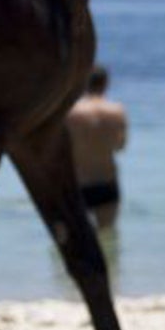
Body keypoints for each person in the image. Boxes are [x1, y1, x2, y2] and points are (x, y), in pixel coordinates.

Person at [67, 65, 129, 228]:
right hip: (106, 181)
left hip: (78, 183)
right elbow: (120, 146)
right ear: (106, 83)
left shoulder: (71, 112)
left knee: (77, 237)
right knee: (107, 234)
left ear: (84, 83)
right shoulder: (116, 111)